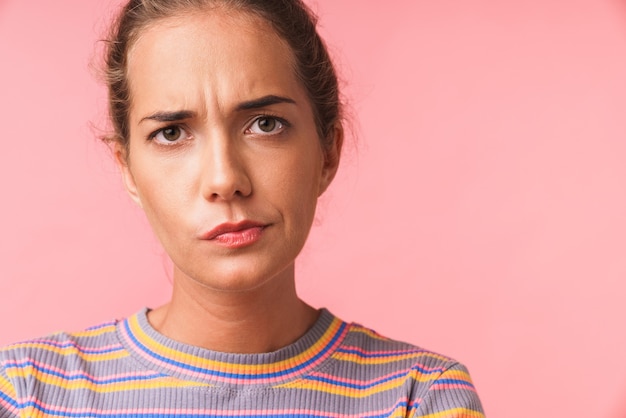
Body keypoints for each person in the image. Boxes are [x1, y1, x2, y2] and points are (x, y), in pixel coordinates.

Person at [0, 0, 484, 416]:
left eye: (266, 124)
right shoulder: (24, 394)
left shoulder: (419, 397)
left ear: (328, 153)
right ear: (127, 168)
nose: (224, 179)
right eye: (171, 133)